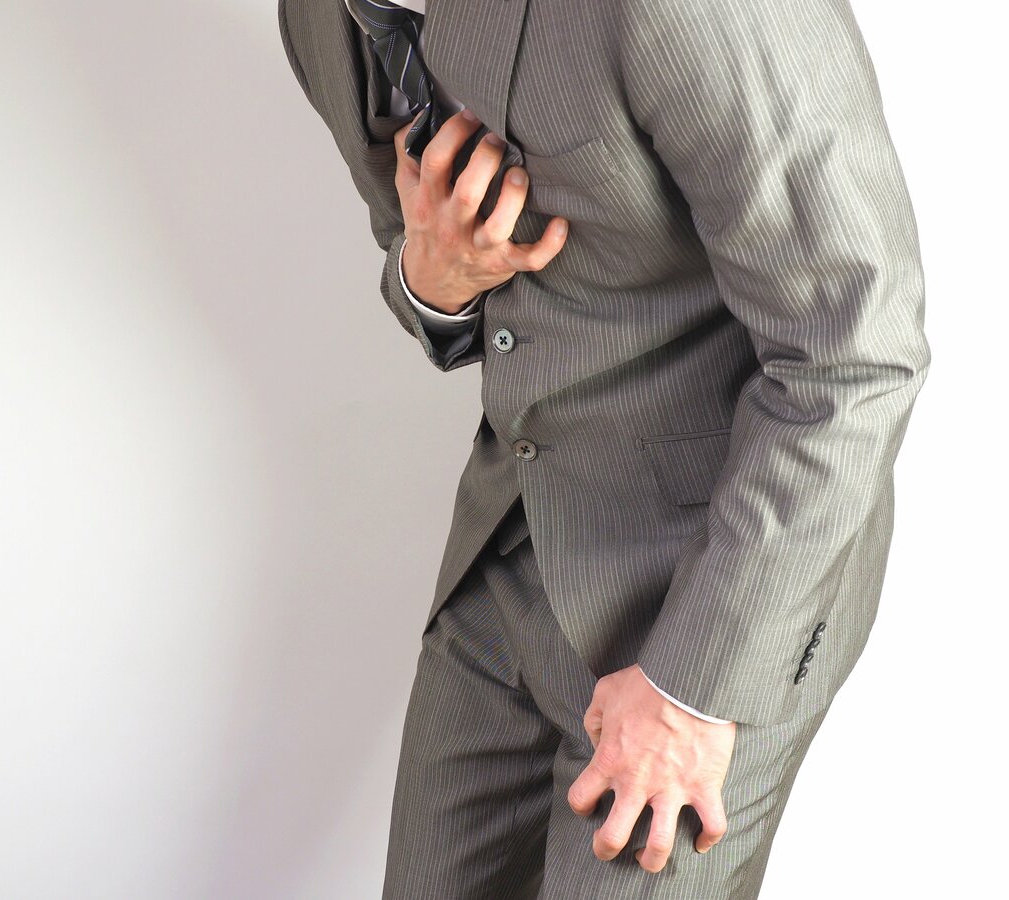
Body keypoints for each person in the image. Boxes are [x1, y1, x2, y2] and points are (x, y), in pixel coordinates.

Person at [279, 0, 930, 896]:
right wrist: (430, 281)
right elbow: (422, 240)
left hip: (713, 578)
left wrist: (693, 689)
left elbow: (856, 355)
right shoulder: (319, 17)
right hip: (510, 545)